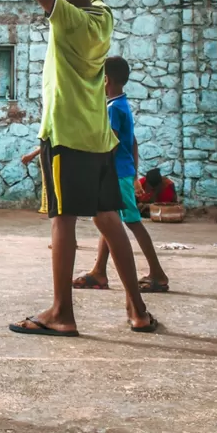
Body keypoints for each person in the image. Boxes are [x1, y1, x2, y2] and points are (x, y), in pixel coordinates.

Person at [8, 0, 156, 337]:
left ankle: (62, 312)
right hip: (98, 139)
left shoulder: (69, 18)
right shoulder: (102, 16)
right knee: (108, 219)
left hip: (66, 136)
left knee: (62, 221)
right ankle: (138, 310)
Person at [71, 55, 170, 293]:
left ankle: (158, 273)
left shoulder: (113, 108)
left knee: (132, 223)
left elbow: (110, 143)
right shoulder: (122, 105)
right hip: (123, 172)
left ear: (105, 80)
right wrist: (135, 174)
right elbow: (132, 142)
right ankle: (99, 271)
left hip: (116, 174)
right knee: (110, 220)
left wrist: (93, 169)